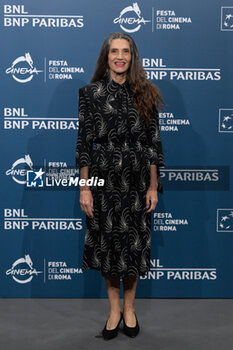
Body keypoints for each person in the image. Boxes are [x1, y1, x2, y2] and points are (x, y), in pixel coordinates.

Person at [75, 32, 165, 340]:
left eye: (125, 51)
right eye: (114, 51)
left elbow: (153, 144)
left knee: (132, 247)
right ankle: (114, 311)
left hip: (137, 180)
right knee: (107, 247)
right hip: (102, 179)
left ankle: (129, 309)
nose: (120, 56)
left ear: (132, 57)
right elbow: (84, 143)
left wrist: (153, 186)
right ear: (107, 56)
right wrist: (85, 188)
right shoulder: (89, 93)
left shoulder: (147, 93)